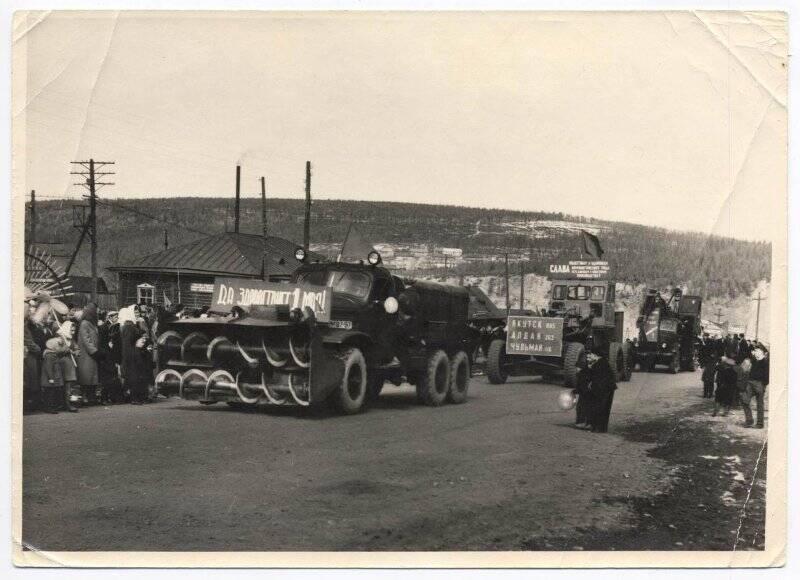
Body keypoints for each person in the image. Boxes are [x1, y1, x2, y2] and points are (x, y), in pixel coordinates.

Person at [119, 305, 151, 405]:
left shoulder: (131, 325)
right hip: (133, 355)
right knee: (134, 377)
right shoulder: (129, 326)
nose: (137, 314)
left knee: (135, 377)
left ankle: (135, 397)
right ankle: (134, 397)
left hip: (134, 354)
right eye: (135, 312)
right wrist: (137, 345)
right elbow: (127, 344)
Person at [585, 351, 617, 433]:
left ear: (595, 355)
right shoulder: (604, 362)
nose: (590, 357)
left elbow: (595, 379)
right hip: (609, 388)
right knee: (606, 409)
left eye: (591, 355)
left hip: (602, 390)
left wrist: (590, 368)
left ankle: (596, 428)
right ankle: (603, 428)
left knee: (598, 408)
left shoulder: (597, 364)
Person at [76, 302, 100, 405]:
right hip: (87, 354)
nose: (98, 312)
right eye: (96, 310)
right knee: (86, 377)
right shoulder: (85, 323)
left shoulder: (91, 323)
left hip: (91, 354)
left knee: (91, 376)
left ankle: (90, 397)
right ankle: (85, 397)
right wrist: (93, 351)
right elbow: (86, 339)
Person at [742, 345, 769, 428]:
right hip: (750, 382)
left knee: (759, 404)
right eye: (755, 350)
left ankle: (760, 424)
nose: (755, 352)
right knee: (745, 400)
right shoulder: (754, 360)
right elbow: (745, 354)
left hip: (759, 384)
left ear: (763, 353)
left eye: (757, 350)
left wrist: (763, 385)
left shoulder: (765, 363)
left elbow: (767, 376)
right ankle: (749, 421)